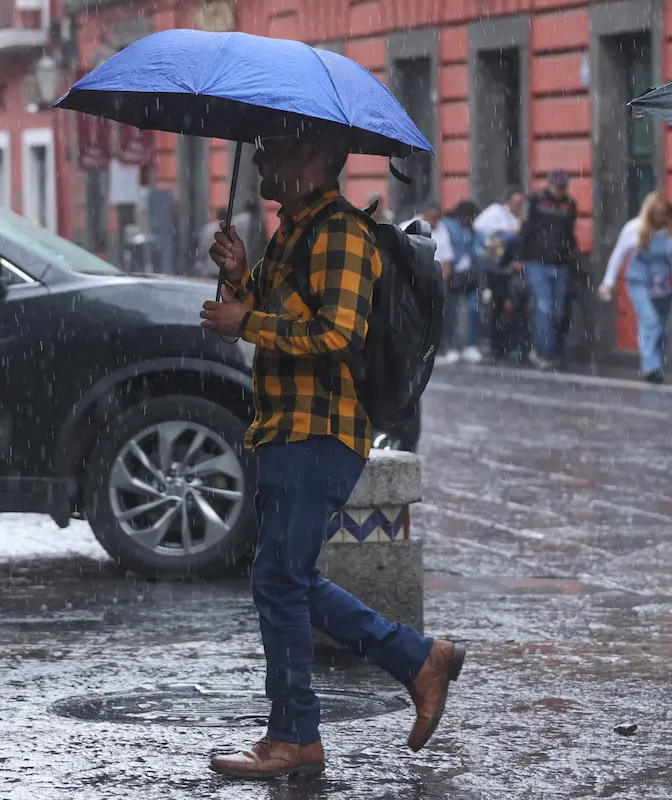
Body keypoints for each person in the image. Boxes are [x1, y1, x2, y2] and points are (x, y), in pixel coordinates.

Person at [199, 123, 464, 780]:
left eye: (273, 147)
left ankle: (295, 734)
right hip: (286, 428)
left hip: (320, 432)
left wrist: (247, 321)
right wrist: (240, 277)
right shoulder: (293, 229)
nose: (258, 154)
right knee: (284, 577)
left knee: (280, 578)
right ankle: (416, 659)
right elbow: (280, 306)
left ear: (310, 158)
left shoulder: (340, 233)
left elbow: (338, 334)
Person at [598, 192, 672, 383]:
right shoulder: (634, 228)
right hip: (639, 281)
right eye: (656, 213)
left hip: (664, 284)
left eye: (663, 213)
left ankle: (657, 363)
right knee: (650, 321)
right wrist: (608, 282)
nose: (660, 218)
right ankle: (651, 367)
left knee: (662, 327)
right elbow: (619, 254)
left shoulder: (671, 231)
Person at [518, 169, 578, 368]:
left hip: (560, 264)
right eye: (557, 187)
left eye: (563, 188)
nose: (560, 191)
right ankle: (545, 353)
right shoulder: (535, 201)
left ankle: (549, 349)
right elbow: (525, 230)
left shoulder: (569, 204)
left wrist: (571, 257)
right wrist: (520, 257)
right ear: (549, 185)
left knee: (558, 312)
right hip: (537, 262)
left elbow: (569, 234)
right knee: (543, 309)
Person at [474, 186, 531, 363]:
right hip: (496, 269)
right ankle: (496, 345)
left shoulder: (524, 217)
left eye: (521, 203)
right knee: (497, 307)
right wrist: (503, 231)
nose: (519, 206)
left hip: (515, 270)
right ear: (508, 202)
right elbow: (479, 227)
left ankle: (514, 346)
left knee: (517, 308)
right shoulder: (496, 212)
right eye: (516, 203)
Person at [440, 200, 483, 364]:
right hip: (453, 274)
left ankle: (470, 345)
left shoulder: (471, 229)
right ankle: (451, 346)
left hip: (469, 275)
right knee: (452, 312)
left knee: (473, 309)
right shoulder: (448, 226)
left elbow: (474, 248)